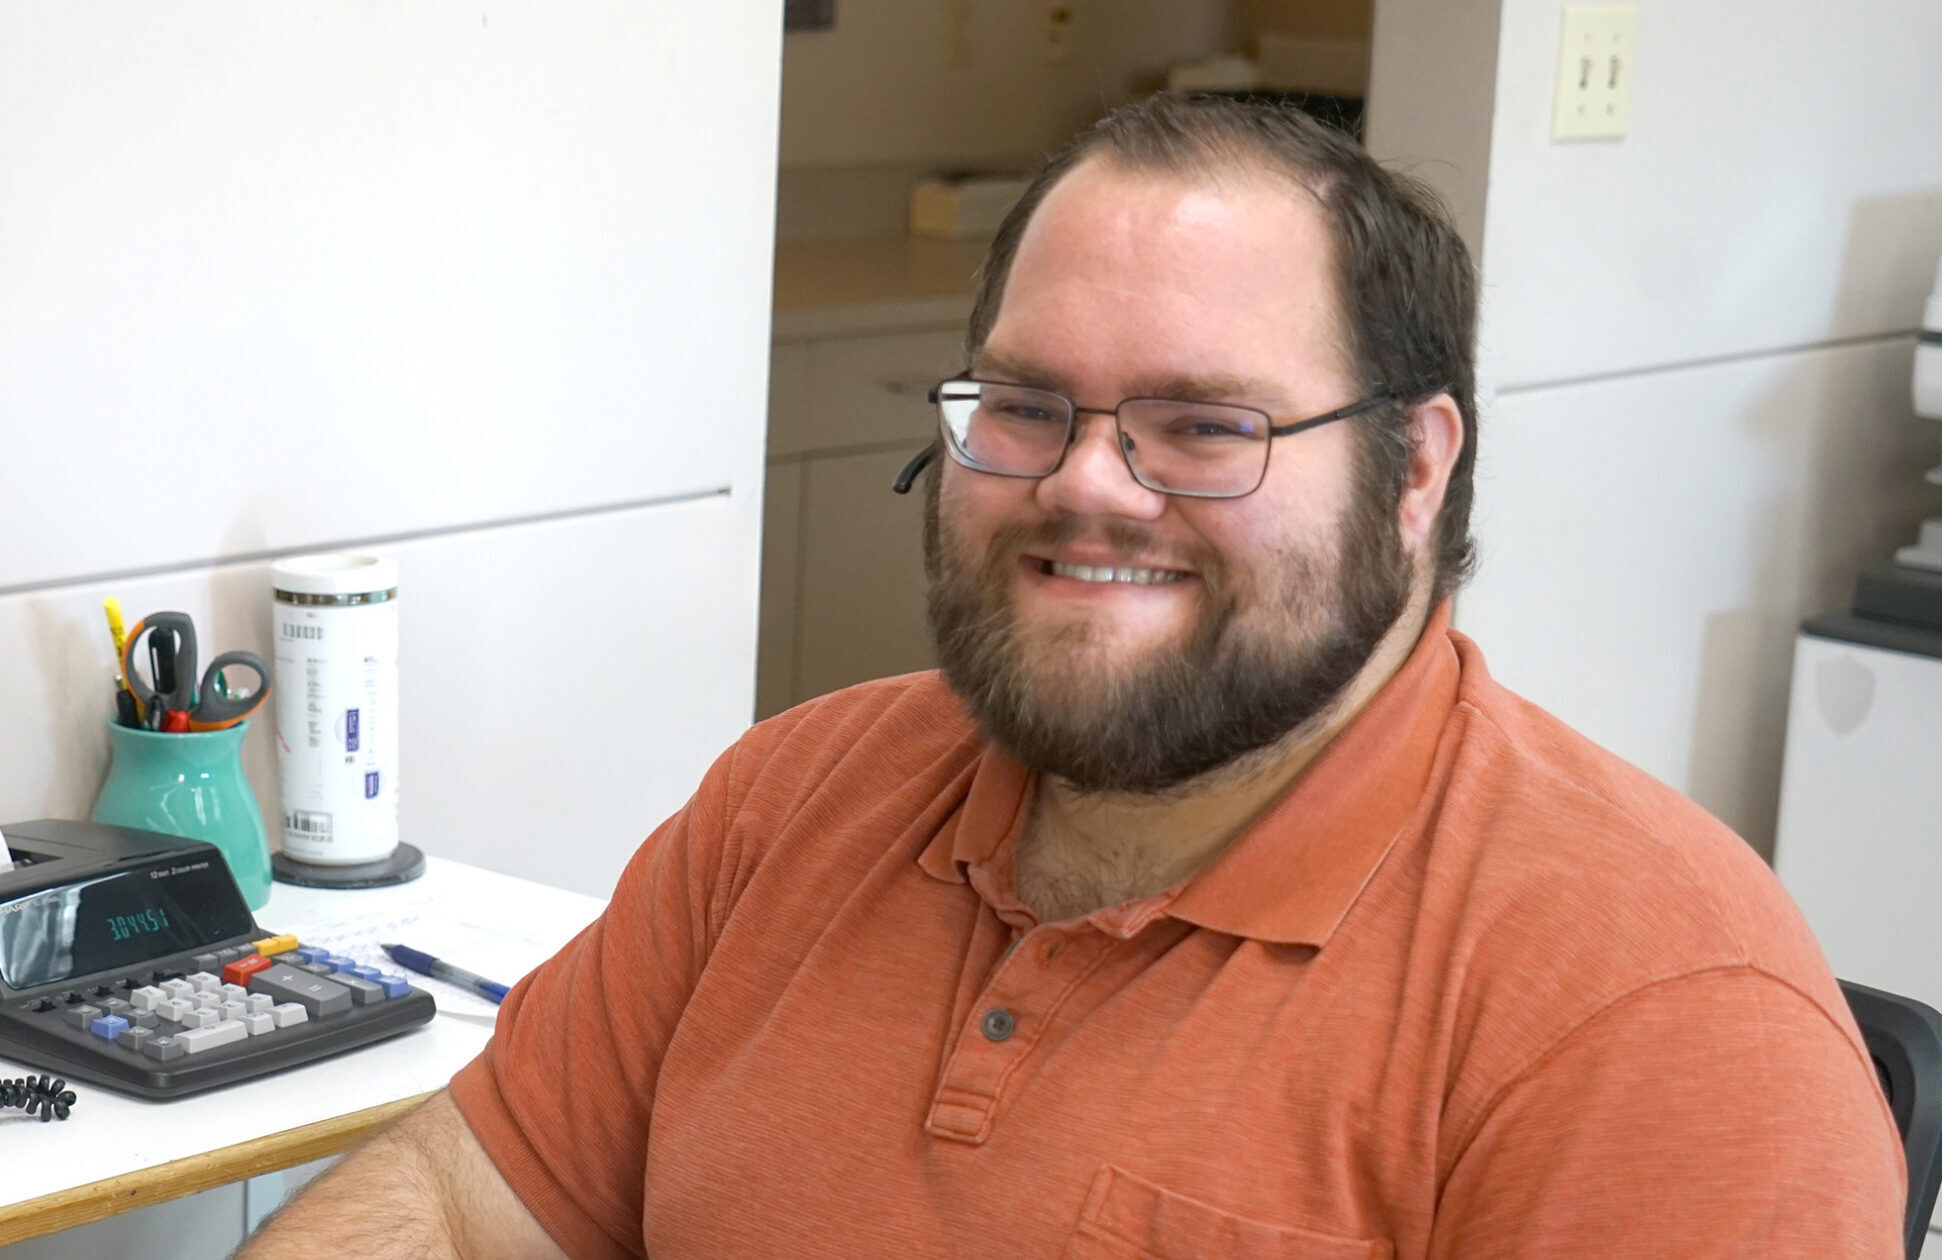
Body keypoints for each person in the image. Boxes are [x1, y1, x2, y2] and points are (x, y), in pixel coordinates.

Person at [238, 93, 1905, 1259]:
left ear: (1414, 471)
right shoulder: (793, 802)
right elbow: (457, 1211)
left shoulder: (1655, 1021)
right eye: (1027, 404)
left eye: (1203, 425)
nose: (1088, 485)